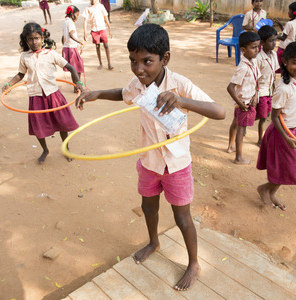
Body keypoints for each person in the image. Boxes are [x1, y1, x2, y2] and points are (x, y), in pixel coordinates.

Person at [74, 23, 226, 291]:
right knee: (148, 207)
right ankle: (154, 241)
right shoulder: (137, 84)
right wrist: (97, 93)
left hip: (176, 163)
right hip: (149, 162)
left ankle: (193, 263)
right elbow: (123, 94)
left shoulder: (180, 84)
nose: (139, 69)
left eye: (147, 61)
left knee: (182, 218)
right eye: (133, 61)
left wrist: (183, 101)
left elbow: (219, 111)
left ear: (164, 58)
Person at [2, 23, 83, 164]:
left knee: (62, 123)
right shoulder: (24, 57)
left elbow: (70, 67)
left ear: (42, 38)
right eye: (30, 39)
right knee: (38, 126)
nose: (34, 42)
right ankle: (45, 150)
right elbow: (20, 74)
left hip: (53, 95)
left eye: (37, 38)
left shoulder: (50, 54)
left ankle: (66, 147)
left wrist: (78, 82)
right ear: (26, 41)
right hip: (36, 97)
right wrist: (9, 84)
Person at [256, 41, 296, 211]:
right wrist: (287, 137)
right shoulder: (283, 88)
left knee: (285, 167)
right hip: (282, 133)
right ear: (285, 62)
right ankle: (265, 189)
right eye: (295, 62)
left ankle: (270, 193)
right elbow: (274, 116)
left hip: (292, 132)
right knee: (287, 167)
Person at [226, 32, 261, 165]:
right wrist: (240, 103)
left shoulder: (254, 61)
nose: (257, 50)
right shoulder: (243, 67)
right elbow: (230, 87)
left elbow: (256, 80)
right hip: (244, 103)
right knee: (241, 128)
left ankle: (231, 146)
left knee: (236, 123)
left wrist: (256, 95)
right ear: (243, 50)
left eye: (258, 47)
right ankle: (239, 157)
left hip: (247, 99)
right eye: (253, 47)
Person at [256, 25, 279, 146]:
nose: (274, 43)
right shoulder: (259, 58)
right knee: (263, 117)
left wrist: (275, 90)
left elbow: (274, 74)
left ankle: (244, 123)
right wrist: (255, 94)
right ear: (262, 42)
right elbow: (255, 78)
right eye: (271, 41)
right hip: (261, 92)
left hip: (270, 91)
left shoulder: (274, 55)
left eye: (275, 40)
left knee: (264, 114)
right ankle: (261, 139)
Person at [82, 0, 113, 70]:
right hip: (94, 30)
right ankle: (100, 63)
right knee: (97, 46)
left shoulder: (101, 6)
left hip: (102, 28)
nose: (93, 0)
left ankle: (109, 63)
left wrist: (110, 29)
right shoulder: (88, 8)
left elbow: (106, 18)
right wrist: (85, 32)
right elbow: (85, 21)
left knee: (106, 46)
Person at [274, 2, 296, 67]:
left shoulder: (289, 23)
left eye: (289, 10)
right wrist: (280, 24)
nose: (288, 12)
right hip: (290, 47)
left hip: (283, 47)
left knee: (279, 65)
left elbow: (283, 37)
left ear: (294, 12)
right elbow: (286, 32)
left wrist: (273, 36)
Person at [62, 5, 85, 92]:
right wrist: (79, 42)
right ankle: (79, 87)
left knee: (73, 68)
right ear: (72, 14)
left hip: (67, 47)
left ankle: (75, 87)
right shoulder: (70, 22)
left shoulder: (65, 22)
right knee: (78, 68)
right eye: (77, 15)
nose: (77, 17)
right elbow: (71, 34)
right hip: (71, 48)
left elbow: (63, 36)